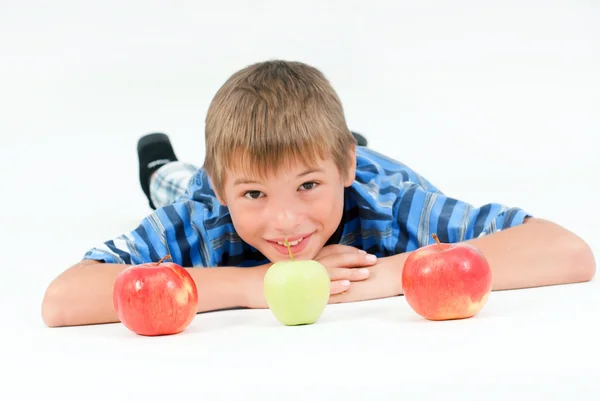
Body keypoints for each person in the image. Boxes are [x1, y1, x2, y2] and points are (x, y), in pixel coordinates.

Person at [41, 60, 596, 328]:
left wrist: (375, 276)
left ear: (344, 172)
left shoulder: (388, 200)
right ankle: (160, 162)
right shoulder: (205, 210)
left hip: (362, 159)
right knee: (171, 181)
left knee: (341, 152)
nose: (285, 220)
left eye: (309, 185)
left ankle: (345, 148)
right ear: (222, 191)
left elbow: (567, 251)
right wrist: (257, 284)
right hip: (197, 178)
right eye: (254, 193)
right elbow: (62, 300)